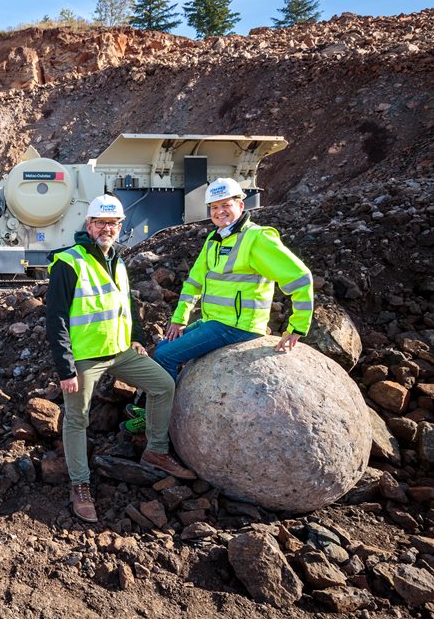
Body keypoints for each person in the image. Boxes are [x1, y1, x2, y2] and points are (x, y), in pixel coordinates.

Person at [46, 194, 196, 524]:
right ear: (88, 225)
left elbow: (127, 307)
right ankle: (80, 485)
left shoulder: (118, 261)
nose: (106, 229)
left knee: (163, 385)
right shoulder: (69, 263)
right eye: (100, 223)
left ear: (119, 227)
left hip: (119, 352)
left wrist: (138, 340)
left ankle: (155, 450)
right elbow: (55, 318)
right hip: (84, 358)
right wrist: (65, 367)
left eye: (112, 223)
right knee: (77, 419)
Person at [151, 177, 314, 383]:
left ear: (241, 205)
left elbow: (300, 277)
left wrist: (297, 328)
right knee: (163, 347)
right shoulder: (214, 240)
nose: (220, 211)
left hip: (238, 327)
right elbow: (194, 282)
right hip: (215, 322)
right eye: (214, 207)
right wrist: (179, 319)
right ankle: (153, 403)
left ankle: (161, 414)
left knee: (165, 356)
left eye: (226, 205)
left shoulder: (257, 238)